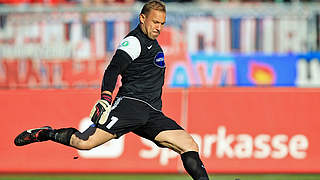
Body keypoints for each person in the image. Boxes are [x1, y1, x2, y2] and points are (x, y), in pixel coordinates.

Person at [14, 1, 211, 179]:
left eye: (162, 23)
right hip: (130, 106)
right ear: (142, 18)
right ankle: (46, 133)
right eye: (155, 22)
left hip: (152, 112)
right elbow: (113, 69)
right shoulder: (133, 42)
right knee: (84, 143)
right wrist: (105, 98)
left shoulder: (153, 42)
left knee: (189, 146)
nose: (158, 28)